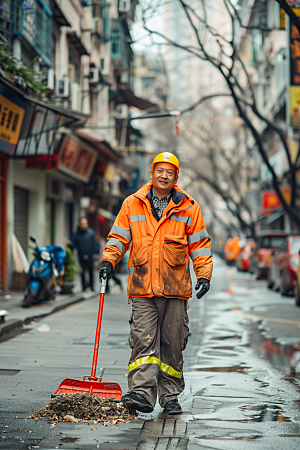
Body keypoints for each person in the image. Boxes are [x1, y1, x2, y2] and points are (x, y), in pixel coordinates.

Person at [99, 152, 213, 415]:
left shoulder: (189, 207)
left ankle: (170, 396)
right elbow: (118, 236)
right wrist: (109, 260)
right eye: (159, 170)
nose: (164, 175)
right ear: (151, 173)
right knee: (143, 340)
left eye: (169, 172)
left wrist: (204, 274)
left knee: (173, 344)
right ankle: (141, 393)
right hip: (142, 286)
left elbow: (200, 244)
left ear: (176, 177)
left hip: (175, 288)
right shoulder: (133, 203)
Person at [71, 217, 99, 291]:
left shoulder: (91, 232)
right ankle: (84, 287)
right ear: (79, 224)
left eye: (85, 224)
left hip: (90, 254)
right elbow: (73, 244)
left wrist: (96, 252)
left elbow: (95, 243)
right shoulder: (76, 234)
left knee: (91, 272)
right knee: (82, 272)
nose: (83, 225)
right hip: (81, 254)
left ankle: (92, 286)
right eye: (82, 224)